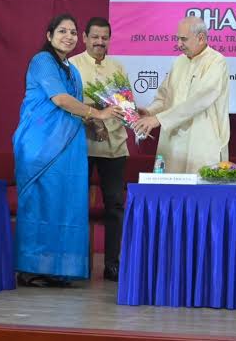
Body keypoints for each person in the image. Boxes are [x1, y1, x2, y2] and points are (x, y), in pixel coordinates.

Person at [13, 14, 122, 287]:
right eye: (62, 31)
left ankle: (57, 269)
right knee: (40, 205)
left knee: (64, 206)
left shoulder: (71, 69)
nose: (69, 36)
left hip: (68, 146)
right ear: (49, 35)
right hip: (41, 145)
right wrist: (98, 113)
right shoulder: (42, 61)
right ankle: (30, 269)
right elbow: (61, 100)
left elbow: (74, 107)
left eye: (73, 32)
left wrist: (93, 123)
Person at [70, 17, 129, 282]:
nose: (99, 42)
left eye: (104, 37)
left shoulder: (118, 68)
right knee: (77, 204)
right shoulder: (72, 66)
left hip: (114, 146)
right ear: (84, 38)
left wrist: (118, 117)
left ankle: (112, 264)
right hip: (80, 145)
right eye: (95, 37)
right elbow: (67, 105)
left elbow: (126, 107)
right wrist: (93, 119)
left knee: (115, 205)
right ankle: (78, 263)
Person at [133, 16, 230, 173]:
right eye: (177, 39)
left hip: (201, 142)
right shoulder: (179, 62)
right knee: (170, 187)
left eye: (183, 39)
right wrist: (150, 112)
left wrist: (159, 119)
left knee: (200, 186)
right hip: (174, 145)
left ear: (201, 38)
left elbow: (200, 100)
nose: (179, 44)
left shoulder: (216, 62)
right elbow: (164, 97)